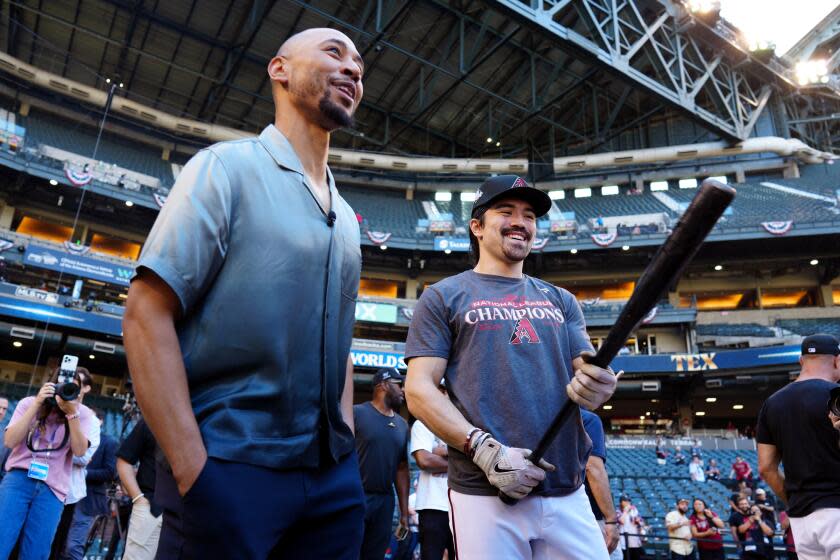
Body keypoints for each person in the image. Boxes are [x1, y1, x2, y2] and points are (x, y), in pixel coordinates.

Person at [122, 27, 366, 559]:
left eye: (358, 64)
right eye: (334, 52)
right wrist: (194, 470)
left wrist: (344, 445)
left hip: (331, 482)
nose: (353, 69)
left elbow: (341, 347)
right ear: (279, 69)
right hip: (228, 467)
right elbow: (145, 314)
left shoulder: (347, 218)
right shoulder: (224, 168)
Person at [404, 175, 618, 559]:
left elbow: (583, 368)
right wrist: (484, 450)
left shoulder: (561, 299)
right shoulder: (443, 296)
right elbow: (418, 390)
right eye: (506, 212)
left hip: (566, 490)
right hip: (485, 492)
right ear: (477, 226)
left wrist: (596, 384)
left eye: (529, 215)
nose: (520, 221)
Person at [757, 333, 840, 560]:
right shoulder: (835, 395)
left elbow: (766, 468)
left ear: (801, 361)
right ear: (837, 360)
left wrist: (795, 500)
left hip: (801, 520)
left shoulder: (772, 403)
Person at [0, 368, 94, 560]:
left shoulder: (83, 414)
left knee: (37, 551)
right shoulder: (29, 403)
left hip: (53, 488)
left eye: (71, 388)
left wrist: (71, 414)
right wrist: (37, 404)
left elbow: (79, 451)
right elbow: (10, 441)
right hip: (19, 479)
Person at [354, 368, 410, 560]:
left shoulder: (402, 425)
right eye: (398, 385)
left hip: (385, 501)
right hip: (356, 496)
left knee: (375, 555)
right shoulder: (356, 413)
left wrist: (404, 512)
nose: (403, 390)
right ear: (383, 385)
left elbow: (402, 468)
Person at [50, 371, 99, 560]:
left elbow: (83, 457)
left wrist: (57, 452)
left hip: (67, 491)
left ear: (85, 388)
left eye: (78, 382)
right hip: (40, 483)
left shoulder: (90, 419)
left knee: (56, 545)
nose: (71, 385)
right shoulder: (48, 409)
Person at [62, 412, 118, 560]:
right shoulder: (69, 436)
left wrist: (83, 473)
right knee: (58, 542)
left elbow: (110, 472)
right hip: (64, 493)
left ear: (100, 421)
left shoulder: (109, 442)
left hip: (87, 499)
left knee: (73, 545)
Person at [409, 383, 454, 560]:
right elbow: (424, 460)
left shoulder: (465, 427)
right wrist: (461, 463)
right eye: (447, 391)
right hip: (433, 506)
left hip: (460, 505)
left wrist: (439, 451)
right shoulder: (423, 424)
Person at [117, 419, 163, 560]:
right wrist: (139, 499)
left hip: (189, 512)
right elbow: (124, 460)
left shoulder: (207, 415)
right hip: (149, 506)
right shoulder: (152, 419)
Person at [581, 410, 620, 554]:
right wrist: (610, 520)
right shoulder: (587, 419)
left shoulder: (535, 417)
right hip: (589, 516)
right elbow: (593, 468)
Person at [618, 495, 645, 560]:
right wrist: (625, 511)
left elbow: (641, 522)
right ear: (621, 502)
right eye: (625, 501)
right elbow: (621, 521)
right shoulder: (618, 511)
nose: (628, 503)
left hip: (634, 540)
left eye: (629, 501)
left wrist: (638, 521)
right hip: (623, 541)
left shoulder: (634, 511)